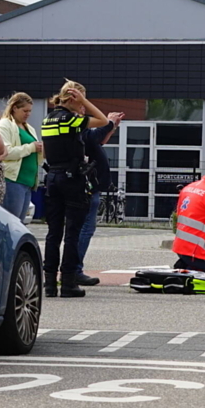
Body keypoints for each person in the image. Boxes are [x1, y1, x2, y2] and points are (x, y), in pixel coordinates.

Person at [40, 80, 108, 299]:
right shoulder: (70, 120)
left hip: (52, 178)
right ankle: (68, 283)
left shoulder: (47, 119)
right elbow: (103, 121)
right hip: (72, 180)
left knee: (53, 233)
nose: (82, 107)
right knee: (72, 233)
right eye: (80, 101)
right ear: (73, 98)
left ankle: (49, 283)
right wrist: (85, 102)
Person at [75, 110, 125, 287]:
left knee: (85, 228)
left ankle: (74, 268)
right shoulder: (76, 124)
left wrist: (112, 127)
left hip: (93, 185)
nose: (83, 110)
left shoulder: (80, 125)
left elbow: (101, 140)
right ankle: (74, 269)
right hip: (86, 185)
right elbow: (94, 137)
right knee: (84, 228)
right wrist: (108, 123)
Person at [0, 92, 42, 223]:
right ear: (15, 108)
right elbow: (7, 152)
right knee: (11, 222)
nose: (28, 114)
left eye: (30, 111)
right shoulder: (5, 124)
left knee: (20, 223)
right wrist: (31, 147)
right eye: (25, 110)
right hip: (13, 180)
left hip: (28, 182)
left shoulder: (30, 128)